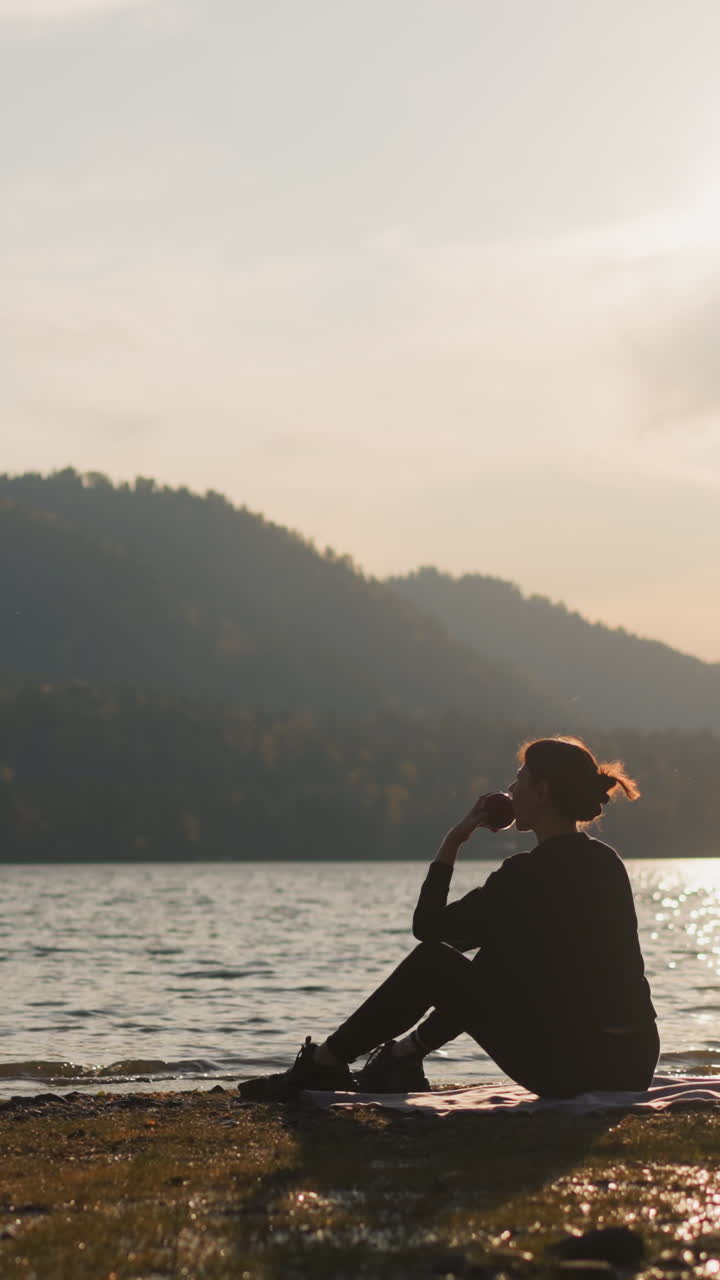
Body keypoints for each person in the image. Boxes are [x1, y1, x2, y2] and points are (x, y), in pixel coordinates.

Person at [239, 736, 659, 1101]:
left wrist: (454, 840)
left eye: (520, 779)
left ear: (544, 792)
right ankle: (404, 1056)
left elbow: (430, 932)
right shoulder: (606, 862)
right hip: (634, 1063)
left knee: (434, 962)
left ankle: (326, 1062)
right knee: (498, 951)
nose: (511, 789)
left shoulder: (525, 874)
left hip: (578, 1070)